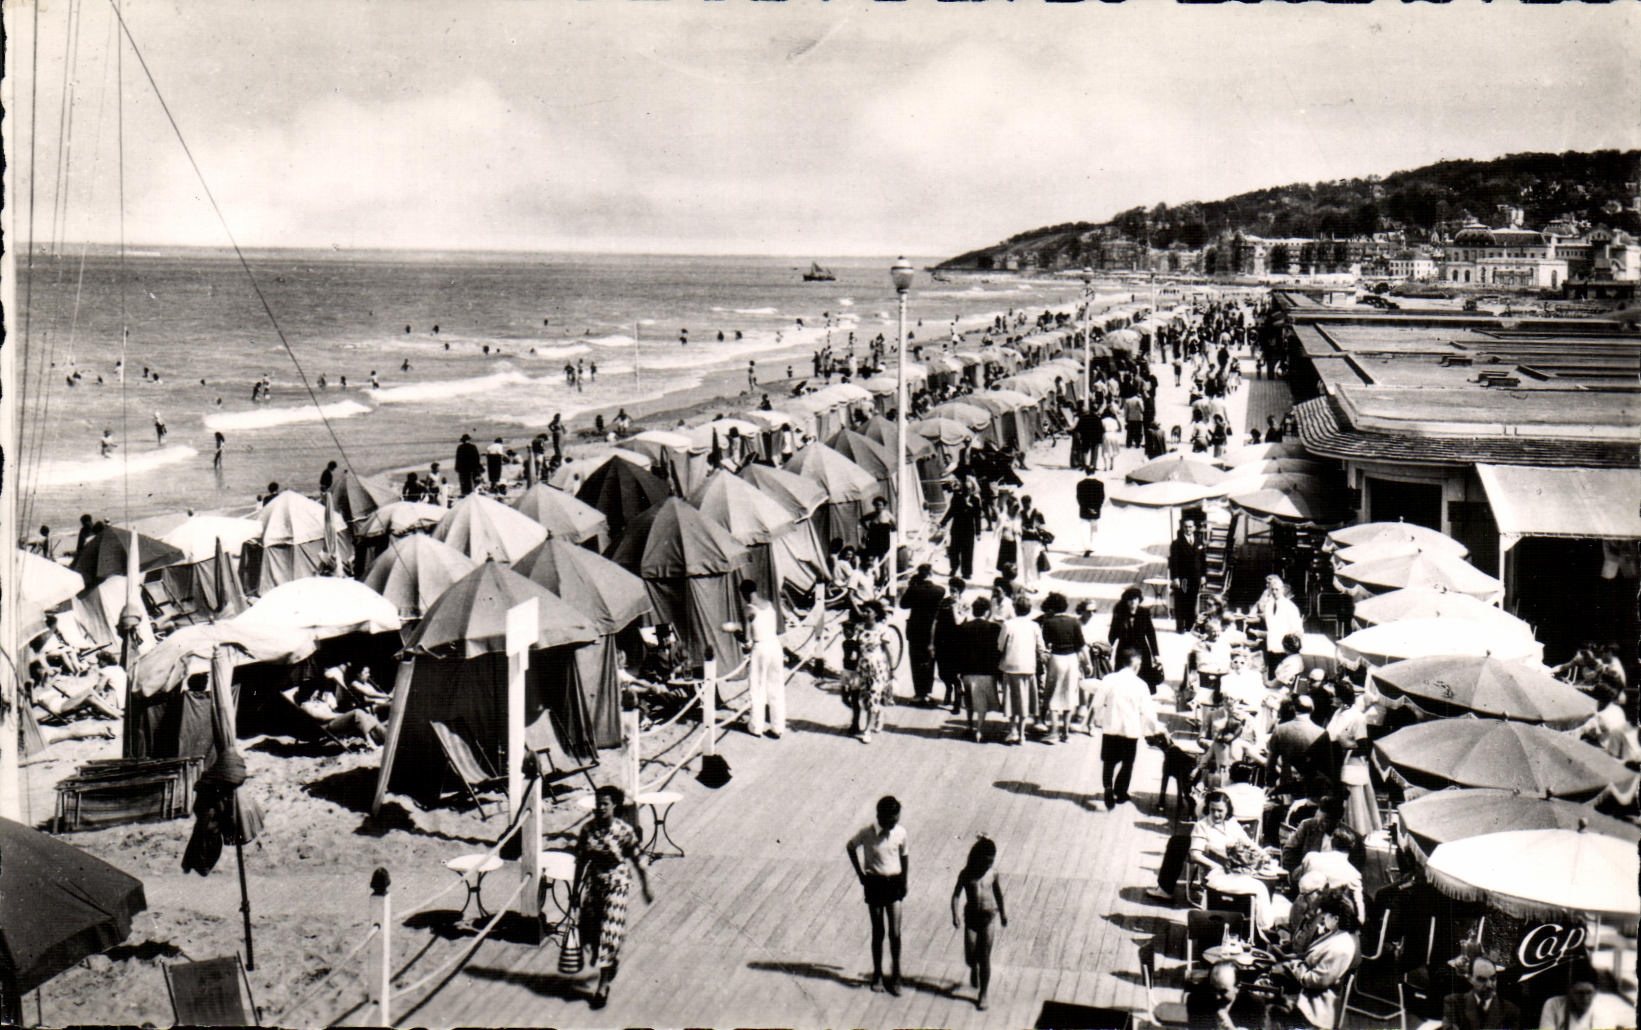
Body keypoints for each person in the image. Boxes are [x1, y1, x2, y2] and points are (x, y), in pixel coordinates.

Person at [572, 785, 653, 1010]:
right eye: (597, 803)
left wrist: (647, 886)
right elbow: (580, 860)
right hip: (595, 884)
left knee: (609, 932)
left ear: (614, 805)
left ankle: (603, 985)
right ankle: (612, 960)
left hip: (617, 884)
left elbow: (638, 857)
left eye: (605, 804)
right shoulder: (587, 830)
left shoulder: (623, 830)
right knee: (590, 933)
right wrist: (574, 891)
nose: (600, 808)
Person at [845, 796, 908, 996]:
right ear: (880, 816)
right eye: (891, 820)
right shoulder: (867, 833)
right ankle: (878, 974)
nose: (894, 823)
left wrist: (904, 882)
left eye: (897, 819)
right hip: (875, 884)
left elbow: (904, 856)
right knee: (878, 932)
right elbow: (850, 847)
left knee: (895, 933)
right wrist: (861, 875)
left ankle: (896, 975)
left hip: (894, 883)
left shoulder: (900, 832)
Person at [1271, 893, 1358, 1029]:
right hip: (1305, 989)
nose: (1323, 918)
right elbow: (1311, 957)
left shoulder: (1341, 947)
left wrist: (1295, 966)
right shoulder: (1335, 934)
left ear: (1336, 919)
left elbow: (1317, 980)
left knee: (1263, 998)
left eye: (1326, 915)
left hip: (1313, 1005)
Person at [1092, 645, 1162, 809]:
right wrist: (1156, 728)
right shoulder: (1141, 685)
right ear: (1136, 665)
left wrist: (1098, 719)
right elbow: (1148, 711)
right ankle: (1121, 791)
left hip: (1111, 727)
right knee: (1128, 762)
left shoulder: (1109, 679)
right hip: (1130, 730)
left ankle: (1108, 786)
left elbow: (1097, 703)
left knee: (1109, 761)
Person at [950, 835, 1007, 1011]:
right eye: (986, 861)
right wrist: (955, 914)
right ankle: (972, 967)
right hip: (972, 920)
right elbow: (956, 895)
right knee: (970, 955)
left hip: (988, 919)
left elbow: (998, 894)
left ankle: (983, 993)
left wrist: (1003, 913)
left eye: (992, 861)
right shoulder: (967, 874)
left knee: (985, 957)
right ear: (978, 857)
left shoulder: (993, 874)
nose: (988, 864)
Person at [739, 579, 785, 739]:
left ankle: (756, 726)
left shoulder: (748, 609)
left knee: (757, 688)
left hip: (760, 648)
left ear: (745, 593)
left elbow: (746, 638)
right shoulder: (769, 604)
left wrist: (736, 633)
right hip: (775, 646)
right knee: (776, 687)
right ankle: (777, 727)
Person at [997, 595, 1044, 746]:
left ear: (1015, 609)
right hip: (1028, 667)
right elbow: (1040, 647)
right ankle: (1023, 734)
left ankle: (1013, 730)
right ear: (1029, 610)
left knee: (1011, 699)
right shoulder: (1034, 626)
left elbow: (1000, 646)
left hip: (1010, 666)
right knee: (1024, 700)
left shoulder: (1008, 624)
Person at [956, 596, 1004, 743]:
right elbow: (999, 651)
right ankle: (979, 730)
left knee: (969, 699)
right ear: (987, 611)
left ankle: (969, 725)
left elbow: (958, 651)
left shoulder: (964, 627)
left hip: (967, 671)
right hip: (986, 671)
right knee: (981, 702)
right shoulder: (994, 628)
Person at [899, 565, 945, 707]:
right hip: (933, 630)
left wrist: (911, 586)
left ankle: (919, 693)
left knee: (916, 661)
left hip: (915, 630)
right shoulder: (940, 591)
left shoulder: (914, 590)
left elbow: (903, 604)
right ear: (931, 574)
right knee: (929, 661)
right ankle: (928, 691)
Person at [1536, 962, 1628, 1030]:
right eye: (1579, 993)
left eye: (1589, 992)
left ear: (1595, 992)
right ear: (1569, 991)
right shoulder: (1553, 1005)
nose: (1585, 998)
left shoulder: (1604, 1011)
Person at [853, 601, 896, 743]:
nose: (865, 614)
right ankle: (879, 713)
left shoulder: (883, 630)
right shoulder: (859, 628)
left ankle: (867, 731)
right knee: (865, 698)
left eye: (868, 611)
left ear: (876, 614)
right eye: (864, 611)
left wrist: (892, 669)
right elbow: (857, 649)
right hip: (862, 668)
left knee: (872, 698)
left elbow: (889, 651)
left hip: (877, 668)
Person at [1440, 957, 1520, 1030]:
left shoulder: (1510, 1010)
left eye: (1493, 978)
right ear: (1470, 979)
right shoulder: (1454, 1003)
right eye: (1482, 980)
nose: (1489, 985)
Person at [1108, 585, 1162, 694]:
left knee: (1143, 679)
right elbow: (1112, 635)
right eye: (1130, 600)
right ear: (1126, 601)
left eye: (1135, 599)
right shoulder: (1120, 614)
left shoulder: (1144, 613)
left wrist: (1156, 654)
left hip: (1141, 650)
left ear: (1139, 600)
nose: (1133, 602)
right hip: (1125, 650)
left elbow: (1151, 634)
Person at [1253, 576, 1305, 678]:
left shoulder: (1290, 606)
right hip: (1271, 645)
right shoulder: (1268, 605)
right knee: (1271, 675)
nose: (1275, 592)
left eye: (1277, 589)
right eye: (1272, 589)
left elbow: (1297, 628)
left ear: (1282, 589)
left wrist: (1290, 645)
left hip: (1284, 648)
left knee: (1281, 676)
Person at [1169, 521, 1206, 630]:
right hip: (1183, 578)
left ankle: (1190, 626)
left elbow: (1203, 560)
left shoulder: (1199, 542)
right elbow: (1173, 562)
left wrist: (1203, 575)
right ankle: (1180, 626)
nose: (1188, 529)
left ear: (1194, 528)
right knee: (1181, 600)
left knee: (1192, 600)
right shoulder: (1177, 543)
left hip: (1195, 577)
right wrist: (1175, 577)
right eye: (1185, 527)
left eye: (1190, 527)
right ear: (1182, 528)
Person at [1075, 473, 1105, 557]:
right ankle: (1092, 546)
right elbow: (1101, 497)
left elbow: (1079, 498)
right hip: (1095, 510)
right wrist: (1095, 508)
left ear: (1086, 472)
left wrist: (1087, 507)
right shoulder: (1100, 484)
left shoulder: (1080, 484)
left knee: (1084, 528)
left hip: (1084, 510)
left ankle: (1087, 547)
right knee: (1094, 528)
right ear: (1094, 472)